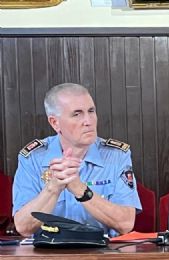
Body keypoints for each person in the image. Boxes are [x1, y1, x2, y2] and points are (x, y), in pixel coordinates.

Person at [12, 83, 141, 237]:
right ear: (55, 123)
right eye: (77, 114)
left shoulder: (116, 155)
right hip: (46, 255)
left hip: (102, 255)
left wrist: (79, 189)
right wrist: (53, 187)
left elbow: (125, 224)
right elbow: (23, 227)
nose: (88, 121)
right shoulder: (32, 158)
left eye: (91, 111)